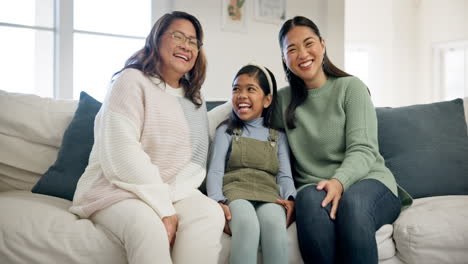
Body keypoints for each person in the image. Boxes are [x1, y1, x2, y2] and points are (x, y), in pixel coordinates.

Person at [69, 11, 224, 264]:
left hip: (171, 192)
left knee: (209, 213)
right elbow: (122, 153)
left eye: (194, 41)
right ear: (156, 38)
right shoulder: (131, 81)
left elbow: (196, 159)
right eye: (178, 36)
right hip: (116, 190)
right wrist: (164, 209)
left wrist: (169, 200)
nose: (187, 46)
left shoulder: (194, 98)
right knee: (149, 227)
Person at [274, 16, 413, 264]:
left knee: (353, 204)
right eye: (292, 49)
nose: (302, 54)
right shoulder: (281, 101)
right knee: (307, 201)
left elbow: (363, 149)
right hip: (314, 187)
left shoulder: (351, 87)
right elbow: (258, 135)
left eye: (309, 43)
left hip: (369, 181)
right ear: (284, 58)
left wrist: (339, 181)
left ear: (323, 44)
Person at [206, 63, 297, 264]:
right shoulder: (226, 131)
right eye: (236, 89)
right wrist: (217, 201)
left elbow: (284, 174)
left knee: (274, 225)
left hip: (269, 194)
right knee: (247, 225)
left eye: (250, 89)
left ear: (267, 100)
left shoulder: (278, 136)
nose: (242, 95)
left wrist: (291, 198)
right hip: (236, 192)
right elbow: (215, 171)